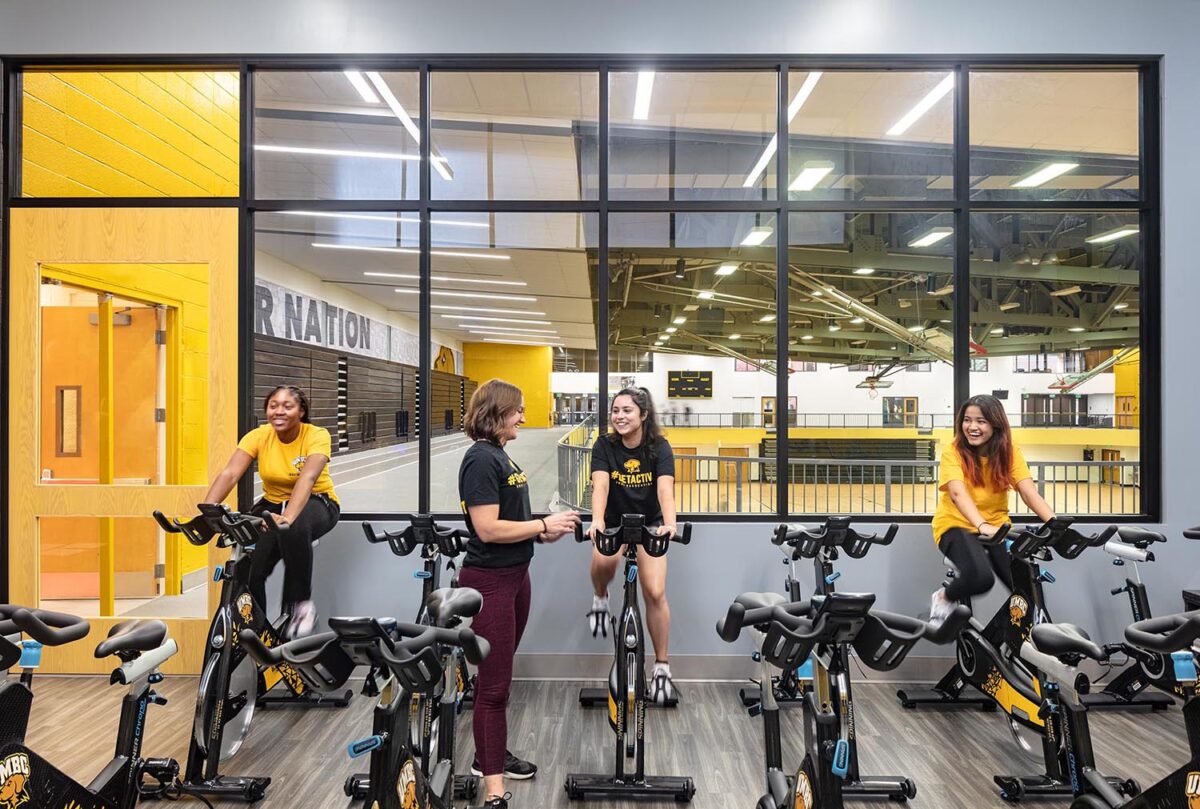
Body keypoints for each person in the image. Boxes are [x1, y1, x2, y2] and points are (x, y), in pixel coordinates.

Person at [458, 379, 580, 809]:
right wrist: (541, 526)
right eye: (519, 411)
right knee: (493, 688)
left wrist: (545, 531)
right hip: (489, 581)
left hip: (515, 576)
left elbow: (510, 521)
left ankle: (488, 755)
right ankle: (493, 791)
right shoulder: (479, 459)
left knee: (499, 678)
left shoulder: (499, 456)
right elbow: (488, 528)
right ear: (497, 413)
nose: (524, 418)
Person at [201, 384, 340, 638]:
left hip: (318, 501)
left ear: (301, 411)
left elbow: (307, 479)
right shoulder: (259, 435)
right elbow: (231, 473)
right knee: (252, 565)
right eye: (273, 405)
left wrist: (286, 518)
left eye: (288, 406)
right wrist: (208, 510)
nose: (279, 411)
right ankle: (255, 625)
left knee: (294, 528)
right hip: (272, 503)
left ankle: (301, 606)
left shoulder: (317, 435)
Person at [586, 387, 679, 704]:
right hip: (613, 520)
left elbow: (665, 489)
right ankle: (600, 597)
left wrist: (670, 523)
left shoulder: (659, 447)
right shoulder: (605, 445)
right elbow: (601, 485)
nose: (619, 416)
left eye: (626, 410)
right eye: (615, 410)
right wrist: (597, 520)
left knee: (654, 591)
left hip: (650, 522)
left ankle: (663, 667)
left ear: (643, 414)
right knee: (603, 565)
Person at [929, 394, 1055, 625]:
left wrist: (1054, 524)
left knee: (1026, 591)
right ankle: (944, 596)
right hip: (956, 526)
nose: (972, 427)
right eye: (967, 420)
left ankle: (1009, 646)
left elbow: (1028, 493)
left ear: (995, 424)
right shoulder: (953, 451)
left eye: (981, 421)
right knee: (980, 578)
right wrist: (981, 524)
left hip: (996, 528)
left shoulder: (1009, 452)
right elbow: (957, 493)